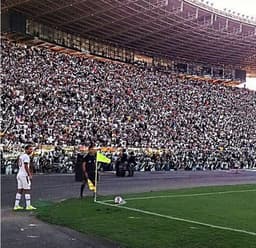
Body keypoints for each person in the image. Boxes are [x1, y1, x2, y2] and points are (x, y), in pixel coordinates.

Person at [13, 144, 36, 210]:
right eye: (30, 149)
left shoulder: (21, 156)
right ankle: (28, 206)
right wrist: (29, 174)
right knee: (27, 189)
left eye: (31, 149)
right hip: (24, 175)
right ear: (26, 149)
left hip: (19, 174)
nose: (31, 151)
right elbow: (26, 166)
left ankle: (16, 205)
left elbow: (19, 164)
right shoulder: (26, 156)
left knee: (20, 190)